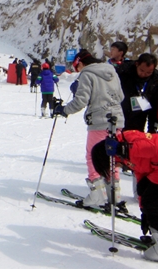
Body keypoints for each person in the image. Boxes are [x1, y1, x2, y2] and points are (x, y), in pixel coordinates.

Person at [91, 130, 158, 265]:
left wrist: (127, 150)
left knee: (152, 203)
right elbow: (142, 173)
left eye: (112, 166)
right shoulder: (122, 149)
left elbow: (150, 147)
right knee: (146, 196)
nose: (116, 168)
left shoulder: (125, 148)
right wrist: (144, 210)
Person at [53, 49, 125, 208]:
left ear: (80, 63)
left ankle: (97, 194)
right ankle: (114, 193)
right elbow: (120, 96)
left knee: (94, 155)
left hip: (99, 120)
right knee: (112, 155)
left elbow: (81, 101)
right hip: (117, 119)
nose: (76, 70)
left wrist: (64, 110)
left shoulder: (87, 74)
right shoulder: (111, 70)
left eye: (75, 66)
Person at [117, 53, 158, 132]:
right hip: (119, 115)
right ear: (137, 64)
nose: (144, 74)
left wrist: (152, 129)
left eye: (148, 73)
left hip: (139, 118)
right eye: (141, 70)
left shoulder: (156, 81)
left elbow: (155, 106)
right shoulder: (123, 72)